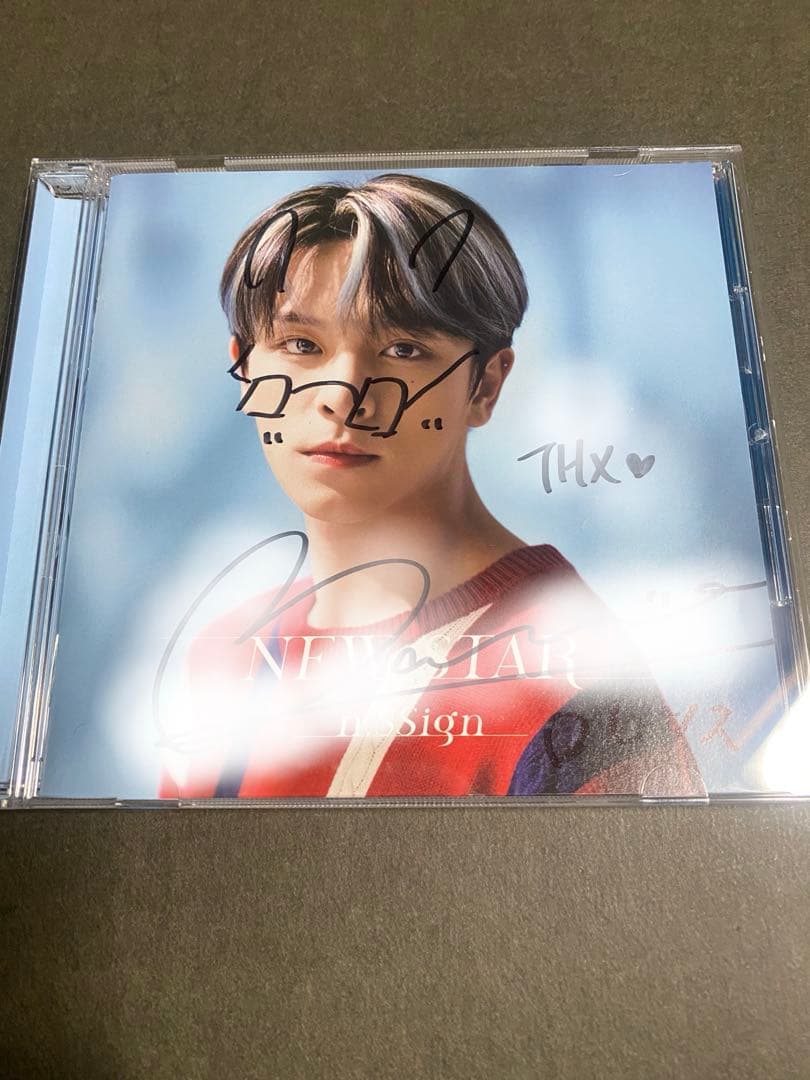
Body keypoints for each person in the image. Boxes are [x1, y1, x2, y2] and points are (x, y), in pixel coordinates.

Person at [158, 173, 704, 800]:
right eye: (301, 344)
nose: (343, 395)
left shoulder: (572, 682)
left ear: (486, 385)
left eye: (404, 349)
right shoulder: (223, 655)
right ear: (244, 367)